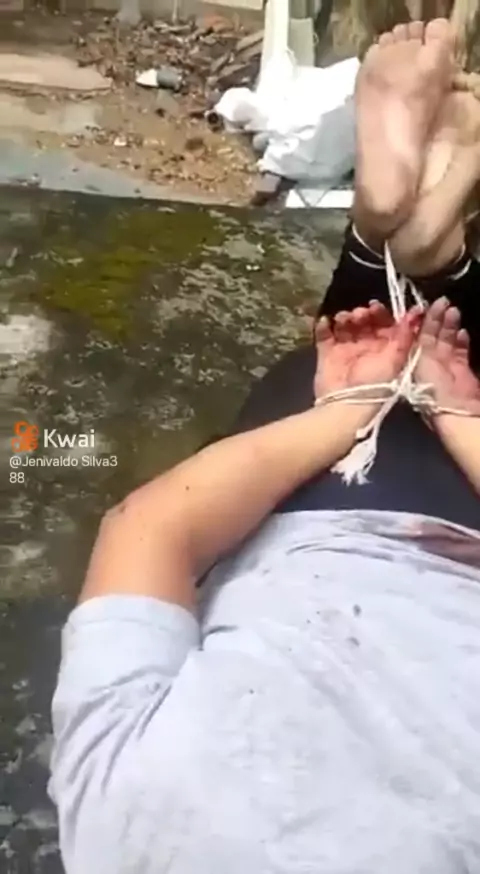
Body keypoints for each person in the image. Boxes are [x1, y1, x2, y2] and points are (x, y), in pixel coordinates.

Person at [50, 18, 480, 874]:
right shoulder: (120, 842)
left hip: (432, 526)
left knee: (412, 353)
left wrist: (450, 414)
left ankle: (418, 248)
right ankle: (403, 243)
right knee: (371, 350)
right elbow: (146, 529)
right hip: (299, 517)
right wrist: (351, 408)